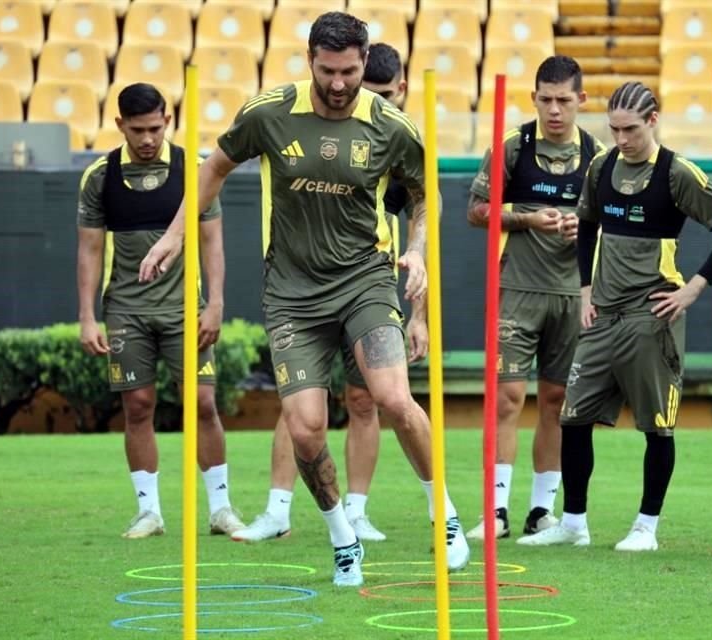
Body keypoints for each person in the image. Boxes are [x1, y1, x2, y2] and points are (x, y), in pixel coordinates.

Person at [136, 12, 470, 586]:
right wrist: (174, 236)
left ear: (365, 62)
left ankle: (444, 513)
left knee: (391, 396)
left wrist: (416, 249)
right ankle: (343, 538)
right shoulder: (267, 112)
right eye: (328, 70)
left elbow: (424, 195)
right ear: (308, 58)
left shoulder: (389, 124)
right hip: (291, 293)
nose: (339, 83)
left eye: (350, 71)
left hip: (364, 279)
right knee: (307, 427)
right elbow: (213, 169)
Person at [518, 81, 712, 551]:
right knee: (572, 417)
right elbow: (587, 227)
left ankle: (646, 528)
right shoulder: (601, 167)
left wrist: (693, 290)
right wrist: (583, 291)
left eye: (631, 129)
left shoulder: (677, 173)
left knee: (657, 426)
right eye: (614, 129)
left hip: (651, 316)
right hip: (602, 314)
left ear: (653, 120)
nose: (621, 138)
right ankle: (573, 523)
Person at [233, 42, 429, 545]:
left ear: (397, 89)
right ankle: (279, 508)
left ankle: (358, 512)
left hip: (370, 279)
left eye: (372, 88)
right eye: (335, 76)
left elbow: (421, 229)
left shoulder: (392, 136)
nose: (348, 91)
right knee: (301, 406)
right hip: (297, 284)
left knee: (372, 399)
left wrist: (420, 315)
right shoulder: (291, 122)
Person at [76, 83, 245, 539]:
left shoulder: (195, 171)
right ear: (120, 127)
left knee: (203, 402)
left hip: (183, 309)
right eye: (137, 130)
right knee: (138, 406)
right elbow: (90, 249)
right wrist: (88, 316)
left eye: (154, 128)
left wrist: (215, 305)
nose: (147, 138)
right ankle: (149, 512)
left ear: (167, 121)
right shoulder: (100, 176)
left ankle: (221, 509)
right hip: (126, 310)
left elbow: (212, 241)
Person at [464, 55, 605, 540]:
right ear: (534, 98)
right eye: (545, 99)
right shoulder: (512, 147)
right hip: (517, 291)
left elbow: (613, 222)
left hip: (572, 294)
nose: (554, 110)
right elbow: (476, 210)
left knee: (558, 401)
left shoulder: (597, 155)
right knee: (506, 399)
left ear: (581, 100)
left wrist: (580, 229)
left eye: (564, 100)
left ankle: (541, 510)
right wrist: (526, 218)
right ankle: (496, 510)